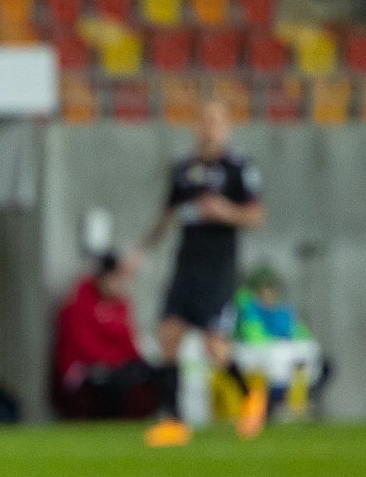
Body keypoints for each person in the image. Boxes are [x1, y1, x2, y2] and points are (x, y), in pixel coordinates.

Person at [137, 98, 266, 447]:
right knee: (168, 336)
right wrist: (140, 252)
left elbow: (256, 216)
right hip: (185, 267)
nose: (208, 129)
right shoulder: (184, 170)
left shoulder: (238, 169)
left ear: (226, 128)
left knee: (214, 347)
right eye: (203, 121)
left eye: (214, 122)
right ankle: (174, 420)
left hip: (217, 270)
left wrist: (226, 212)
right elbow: (166, 216)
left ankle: (251, 396)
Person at [52, 254, 153, 419]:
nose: (120, 283)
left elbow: (128, 344)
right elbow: (84, 347)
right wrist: (117, 362)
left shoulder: (120, 305)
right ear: (103, 277)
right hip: (83, 371)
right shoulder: (78, 301)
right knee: (111, 382)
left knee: (145, 376)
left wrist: (138, 363)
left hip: (114, 367)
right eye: (115, 277)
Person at [231, 262, 327, 429]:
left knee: (309, 360)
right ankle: (258, 408)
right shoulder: (248, 308)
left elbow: (300, 334)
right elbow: (253, 337)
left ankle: (295, 407)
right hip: (253, 355)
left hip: (281, 355)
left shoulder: (283, 310)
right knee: (269, 364)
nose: (269, 293)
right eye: (265, 289)